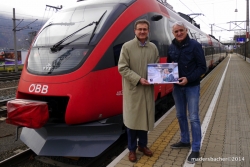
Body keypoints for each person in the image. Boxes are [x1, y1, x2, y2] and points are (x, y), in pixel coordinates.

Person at [118, 19, 159, 162]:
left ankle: (143, 145)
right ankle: (131, 149)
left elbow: (156, 66)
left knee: (144, 119)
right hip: (134, 89)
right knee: (132, 121)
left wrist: (164, 73)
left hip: (147, 90)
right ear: (135, 31)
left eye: (145, 29)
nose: (142, 31)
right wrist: (139, 79)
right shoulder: (127, 47)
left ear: (148, 31)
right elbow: (122, 68)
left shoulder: (153, 47)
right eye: (139, 29)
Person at [167, 21, 206, 164]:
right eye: (176, 31)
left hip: (192, 86)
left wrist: (188, 79)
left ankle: (196, 148)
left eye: (181, 30)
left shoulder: (195, 46)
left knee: (194, 117)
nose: (179, 33)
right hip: (177, 87)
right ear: (173, 33)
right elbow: (169, 66)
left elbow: (203, 67)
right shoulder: (171, 47)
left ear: (186, 30)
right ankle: (184, 140)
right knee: (180, 115)